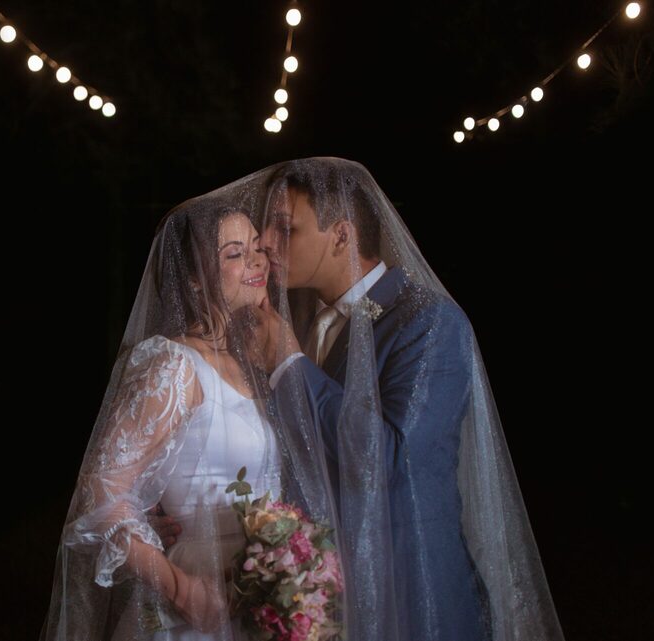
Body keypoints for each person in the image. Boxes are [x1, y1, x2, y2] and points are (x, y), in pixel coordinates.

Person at [248, 157, 565, 641]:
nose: (265, 242)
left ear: (341, 235)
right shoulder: (311, 321)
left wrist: (291, 366)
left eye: (284, 227)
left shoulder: (429, 322)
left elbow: (393, 459)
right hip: (326, 590)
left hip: (412, 590)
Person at [38, 184, 338, 640]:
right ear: (195, 277)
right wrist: (180, 587)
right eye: (236, 254)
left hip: (263, 600)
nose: (258, 261)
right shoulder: (173, 365)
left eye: (257, 248)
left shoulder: (254, 363)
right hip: (193, 606)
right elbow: (100, 496)